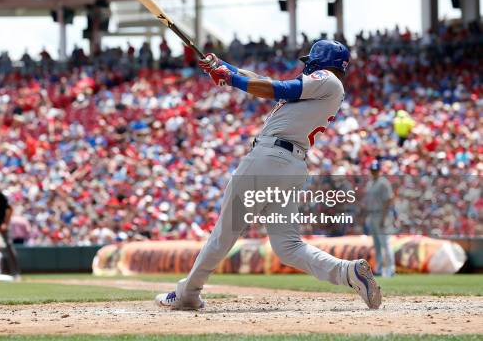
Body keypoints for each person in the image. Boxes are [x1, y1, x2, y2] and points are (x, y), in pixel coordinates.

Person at [155, 40, 382, 310]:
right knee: (288, 246)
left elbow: (278, 88)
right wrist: (222, 66)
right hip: (290, 164)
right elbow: (264, 80)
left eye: (311, 60)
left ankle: (188, 293)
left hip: (269, 159)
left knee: (225, 231)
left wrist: (231, 79)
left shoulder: (327, 80)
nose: (306, 64)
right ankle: (348, 272)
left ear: (322, 61)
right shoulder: (323, 88)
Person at [364, 161, 395, 277]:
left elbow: (388, 200)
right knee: (376, 244)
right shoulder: (370, 183)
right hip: (372, 215)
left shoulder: (383, 183)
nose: (374, 172)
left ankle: (390, 269)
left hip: (381, 214)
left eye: (375, 170)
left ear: (379, 171)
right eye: (372, 170)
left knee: (385, 243)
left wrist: (384, 217)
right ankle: (379, 268)